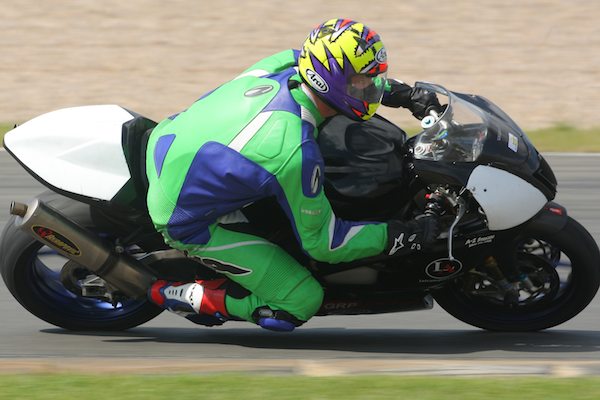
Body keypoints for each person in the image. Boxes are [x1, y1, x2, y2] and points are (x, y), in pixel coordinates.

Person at [145, 18, 441, 331]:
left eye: (374, 79)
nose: (371, 88)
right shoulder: (294, 152)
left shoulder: (289, 62)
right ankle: (183, 294)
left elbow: (340, 78)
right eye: (362, 82)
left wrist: (403, 95)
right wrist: (402, 235)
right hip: (183, 216)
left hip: (169, 138)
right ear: (328, 79)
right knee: (301, 300)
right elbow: (325, 244)